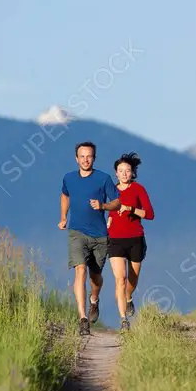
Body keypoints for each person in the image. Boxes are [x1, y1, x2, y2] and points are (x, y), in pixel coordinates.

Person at [59, 141, 121, 335]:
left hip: (100, 236)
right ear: (76, 158)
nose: (86, 160)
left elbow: (117, 202)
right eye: (82, 156)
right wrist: (63, 217)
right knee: (80, 270)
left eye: (89, 156)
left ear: (94, 158)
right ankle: (82, 318)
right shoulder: (68, 178)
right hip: (77, 232)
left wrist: (103, 206)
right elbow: (65, 196)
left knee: (96, 277)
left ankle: (94, 300)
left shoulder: (103, 179)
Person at [106, 152, 154, 332]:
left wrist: (131, 209)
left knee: (132, 280)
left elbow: (149, 214)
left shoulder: (139, 189)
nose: (124, 173)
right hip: (115, 240)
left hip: (135, 239)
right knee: (121, 279)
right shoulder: (111, 189)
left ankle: (128, 297)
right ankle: (123, 319)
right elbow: (108, 208)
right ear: (116, 173)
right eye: (121, 170)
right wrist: (108, 220)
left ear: (132, 172)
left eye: (128, 170)